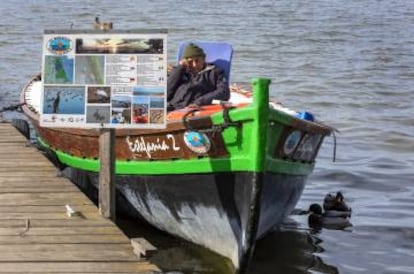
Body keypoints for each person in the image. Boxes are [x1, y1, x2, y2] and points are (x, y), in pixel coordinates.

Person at [167, 43, 230, 111]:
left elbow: (224, 92)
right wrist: (180, 68)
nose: (194, 65)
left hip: (196, 109)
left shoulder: (215, 72)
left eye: (197, 60)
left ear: (203, 59)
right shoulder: (181, 72)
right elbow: (167, 93)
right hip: (173, 108)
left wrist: (200, 101)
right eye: (190, 61)